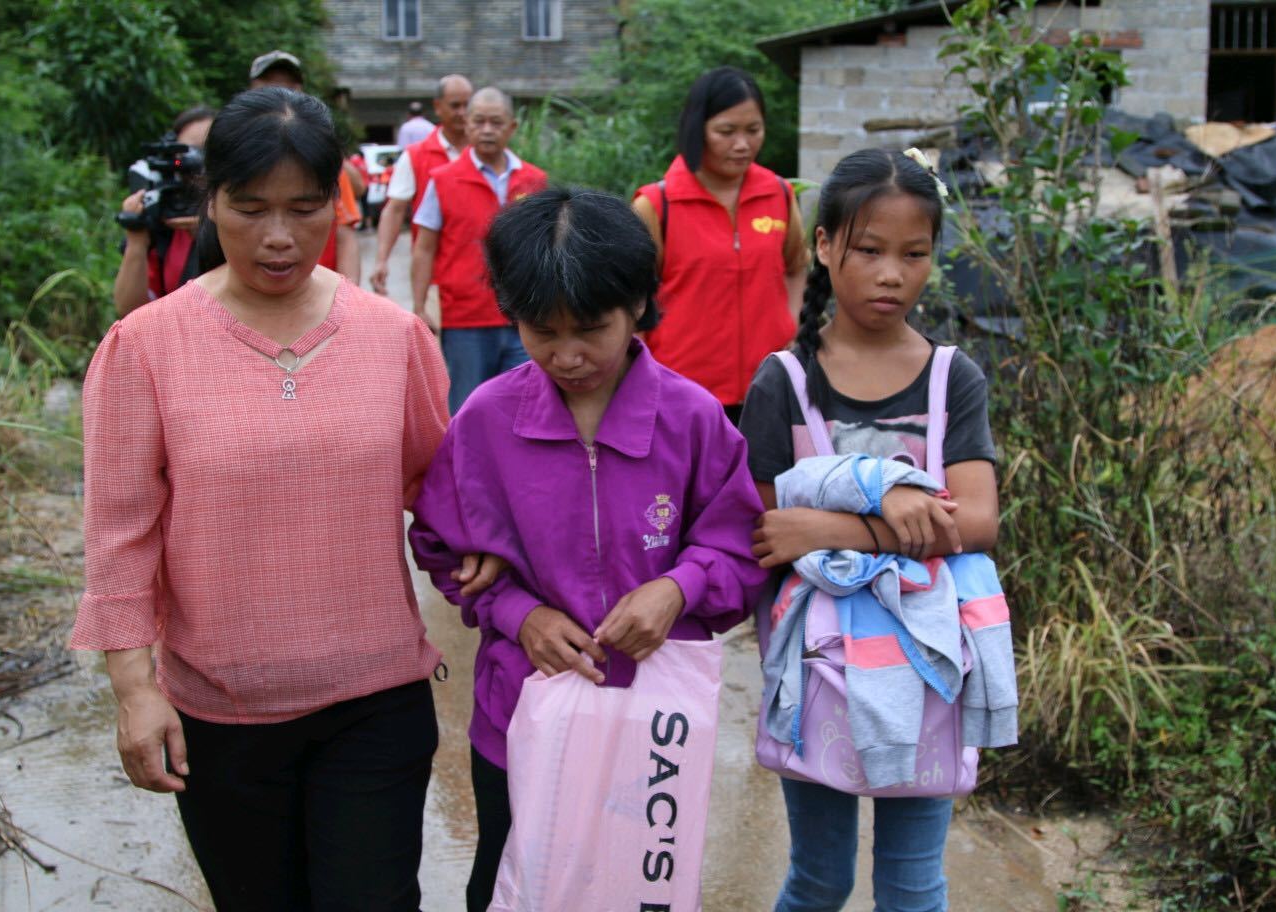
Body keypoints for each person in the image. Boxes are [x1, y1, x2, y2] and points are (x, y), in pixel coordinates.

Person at [70, 87, 462, 912]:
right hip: (220, 716)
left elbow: (443, 493)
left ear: (338, 204)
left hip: (375, 699)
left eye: (304, 207)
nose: (278, 237)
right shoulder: (144, 347)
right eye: (249, 209)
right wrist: (136, 691)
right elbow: (119, 533)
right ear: (210, 203)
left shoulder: (394, 339)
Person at [408, 188, 767, 912]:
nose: (568, 356)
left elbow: (740, 552)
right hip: (522, 714)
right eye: (542, 331)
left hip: (653, 726)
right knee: (511, 880)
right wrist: (518, 614)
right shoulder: (486, 422)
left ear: (637, 304)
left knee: (636, 885)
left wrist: (679, 588)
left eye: (591, 330)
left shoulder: (694, 421)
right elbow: (441, 545)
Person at [737, 148, 1001, 912]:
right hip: (819, 670)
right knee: (820, 879)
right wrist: (889, 511)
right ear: (823, 246)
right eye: (870, 251)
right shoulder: (782, 383)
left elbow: (978, 520)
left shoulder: (955, 378)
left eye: (914, 254)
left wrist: (837, 524)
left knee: (914, 885)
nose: (893, 274)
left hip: (929, 669)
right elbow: (767, 531)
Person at [633, 66, 808, 425]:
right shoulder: (656, 205)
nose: (742, 144)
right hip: (681, 391)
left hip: (768, 387)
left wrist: (788, 325)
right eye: (726, 132)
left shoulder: (778, 194)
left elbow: (796, 265)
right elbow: (630, 300)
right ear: (697, 129)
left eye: (753, 130)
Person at [410, 86, 546, 413]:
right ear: (466, 125)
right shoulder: (442, 180)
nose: (487, 130)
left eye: (496, 123)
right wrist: (419, 307)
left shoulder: (533, 180)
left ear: (512, 127)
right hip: (464, 319)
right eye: (479, 121)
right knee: (467, 409)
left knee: (525, 406)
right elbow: (424, 248)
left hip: (523, 318)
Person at [249, 50, 361, 283]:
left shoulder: (320, 157)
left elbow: (345, 231)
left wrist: (350, 302)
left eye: (289, 88)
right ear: (252, 89)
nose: (280, 96)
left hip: (316, 294)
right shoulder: (231, 151)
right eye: (270, 87)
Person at [371, 74, 473, 296]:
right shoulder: (416, 155)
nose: (462, 112)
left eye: (467, 105)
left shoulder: (487, 154)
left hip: (483, 278)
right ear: (438, 106)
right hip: (432, 277)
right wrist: (381, 259)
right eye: (455, 105)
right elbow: (395, 208)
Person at [113, 106, 215, 317]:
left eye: (209, 151)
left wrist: (214, 235)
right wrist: (136, 240)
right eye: (188, 153)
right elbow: (129, 311)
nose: (198, 164)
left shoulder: (246, 217)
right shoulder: (166, 215)